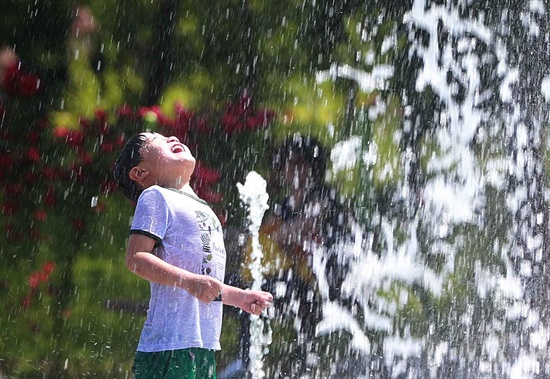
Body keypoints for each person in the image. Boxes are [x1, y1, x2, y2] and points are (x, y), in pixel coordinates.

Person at [113, 132, 273, 379]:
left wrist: (240, 298)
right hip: (168, 346)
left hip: (203, 345)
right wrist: (188, 281)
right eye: (158, 140)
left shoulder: (205, 210)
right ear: (140, 173)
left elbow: (205, 283)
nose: (172, 137)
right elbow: (136, 258)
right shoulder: (156, 196)